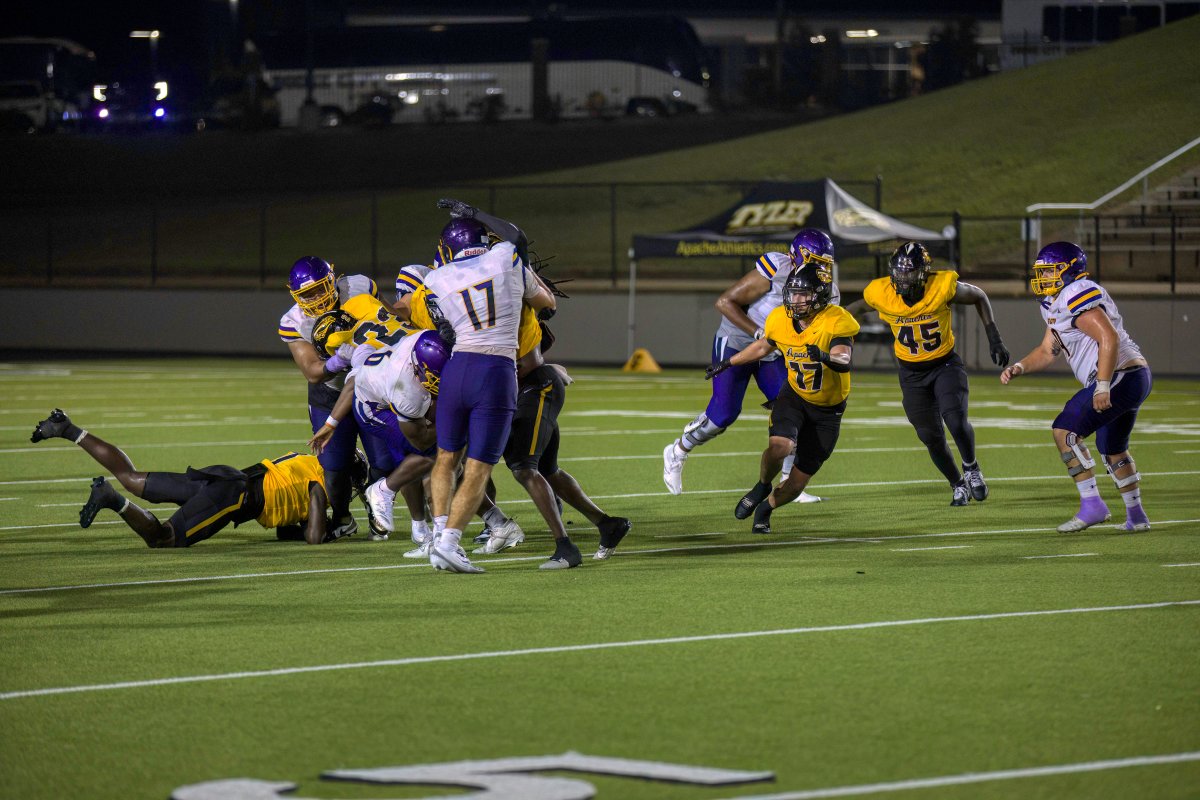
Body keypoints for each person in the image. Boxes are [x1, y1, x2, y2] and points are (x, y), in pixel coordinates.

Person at [435, 199, 632, 564]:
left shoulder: (507, 298)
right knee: (545, 469)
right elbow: (544, 300)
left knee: (522, 467)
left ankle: (564, 546)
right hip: (523, 382)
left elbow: (528, 352)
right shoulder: (506, 288)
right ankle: (607, 524)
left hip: (532, 384)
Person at [415, 216, 556, 573]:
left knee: (446, 457)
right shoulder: (506, 257)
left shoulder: (436, 278)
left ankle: (438, 536)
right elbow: (547, 303)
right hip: (495, 369)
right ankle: (449, 544)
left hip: (457, 367)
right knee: (478, 467)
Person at [662, 228, 839, 502]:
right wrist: (759, 333)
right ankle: (678, 450)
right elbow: (725, 302)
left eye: (824, 263)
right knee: (723, 414)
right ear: (797, 255)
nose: (821, 268)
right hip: (738, 341)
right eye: (815, 260)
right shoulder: (776, 268)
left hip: (775, 352)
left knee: (794, 410)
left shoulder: (828, 291)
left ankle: (788, 483)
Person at [1000, 241, 1152, 533]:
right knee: (1112, 448)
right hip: (1131, 376)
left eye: (1050, 271)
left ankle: (1092, 506)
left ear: (1069, 270)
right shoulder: (1055, 303)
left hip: (1120, 374)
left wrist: (1103, 386)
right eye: (1042, 272)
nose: (1043, 277)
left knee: (1065, 431)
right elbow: (1048, 350)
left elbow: (1108, 337)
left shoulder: (1075, 292)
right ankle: (1136, 516)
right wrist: (1019, 367)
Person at [30, 409, 338, 547]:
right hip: (234, 497)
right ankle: (111, 498)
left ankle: (67, 429)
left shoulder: (307, 461)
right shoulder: (319, 485)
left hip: (225, 477)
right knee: (164, 538)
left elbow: (285, 531)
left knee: (132, 478)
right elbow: (314, 538)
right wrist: (331, 530)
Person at [706, 262, 860, 534]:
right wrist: (729, 362)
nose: (796, 300)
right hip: (794, 396)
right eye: (793, 293)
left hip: (828, 411)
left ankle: (766, 507)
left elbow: (844, 358)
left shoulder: (836, 319)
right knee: (780, 446)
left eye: (803, 294)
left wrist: (825, 356)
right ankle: (762, 485)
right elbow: (763, 346)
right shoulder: (780, 318)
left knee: (797, 484)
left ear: (820, 296)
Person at [857, 241, 1010, 506]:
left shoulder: (941, 286)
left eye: (909, 273)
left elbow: (978, 296)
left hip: (944, 365)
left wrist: (994, 337)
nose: (903, 278)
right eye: (899, 272)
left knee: (955, 420)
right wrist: (834, 331)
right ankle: (957, 484)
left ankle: (971, 467)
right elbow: (856, 308)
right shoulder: (881, 292)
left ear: (924, 272)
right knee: (930, 436)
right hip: (911, 374)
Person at [279, 256, 403, 540]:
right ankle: (343, 518)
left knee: (385, 462)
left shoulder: (358, 287)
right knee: (334, 469)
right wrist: (340, 359)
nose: (315, 299)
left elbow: (391, 321)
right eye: (307, 294)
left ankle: (376, 509)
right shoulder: (294, 321)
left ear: (332, 280)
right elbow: (312, 371)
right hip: (330, 394)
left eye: (319, 289)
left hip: (373, 387)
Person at [308, 324, 449, 551]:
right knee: (436, 451)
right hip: (374, 410)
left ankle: (420, 529)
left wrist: (331, 423)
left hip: (383, 390)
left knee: (409, 463)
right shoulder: (405, 387)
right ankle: (384, 489)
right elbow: (421, 440)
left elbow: (356, 375)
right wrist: (457, 425)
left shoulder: (418, 340)